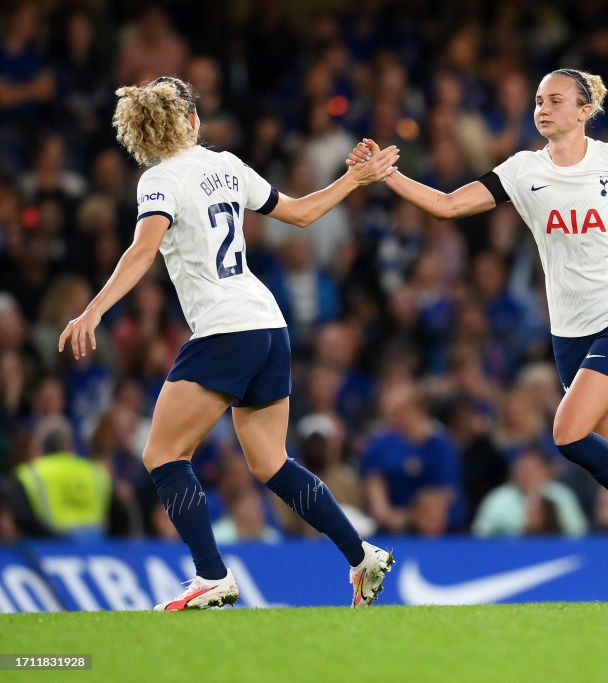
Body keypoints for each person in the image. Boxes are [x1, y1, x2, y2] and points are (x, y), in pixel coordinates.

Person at [349, 68, 608, 603]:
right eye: (538, 100)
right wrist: (387, 178)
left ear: (585, 111)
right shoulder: (522, 170)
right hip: (570, 333)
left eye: (556, 100)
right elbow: (446, 206)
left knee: (568, 433)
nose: (543, 108)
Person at [58, 76, 400, 610]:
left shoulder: (158, 180)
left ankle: (211, 574)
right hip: (268, 323)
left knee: (164, 453)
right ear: (192, 121)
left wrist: (94, 309)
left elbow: (144, 248)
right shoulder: (227, 165)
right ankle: (361, 556)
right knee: (269, 462)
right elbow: (303, 213)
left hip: (224, 328)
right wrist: (354, 179)